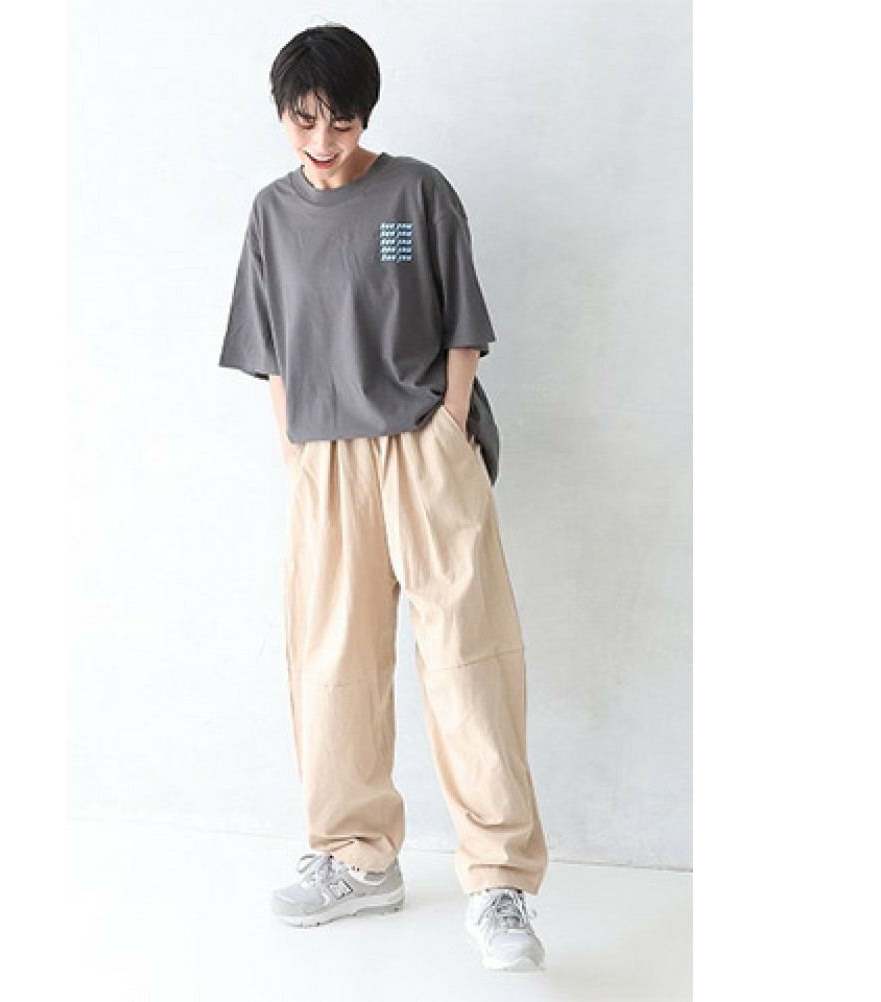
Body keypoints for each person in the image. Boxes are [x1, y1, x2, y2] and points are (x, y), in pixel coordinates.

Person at [218, 23, 548, 972]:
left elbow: (462, 324)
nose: (324, 140)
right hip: (325, 459)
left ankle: (500, 885)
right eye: (305, 120)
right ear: (283, 115)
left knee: (468, 660)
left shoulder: (415, 193)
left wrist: (447, 427)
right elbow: (272, 346)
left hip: (424, 447)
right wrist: (295, 448)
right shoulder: (271, 215)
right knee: (332, 663)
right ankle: (357, 858)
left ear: (367, 115)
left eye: (343, 120)